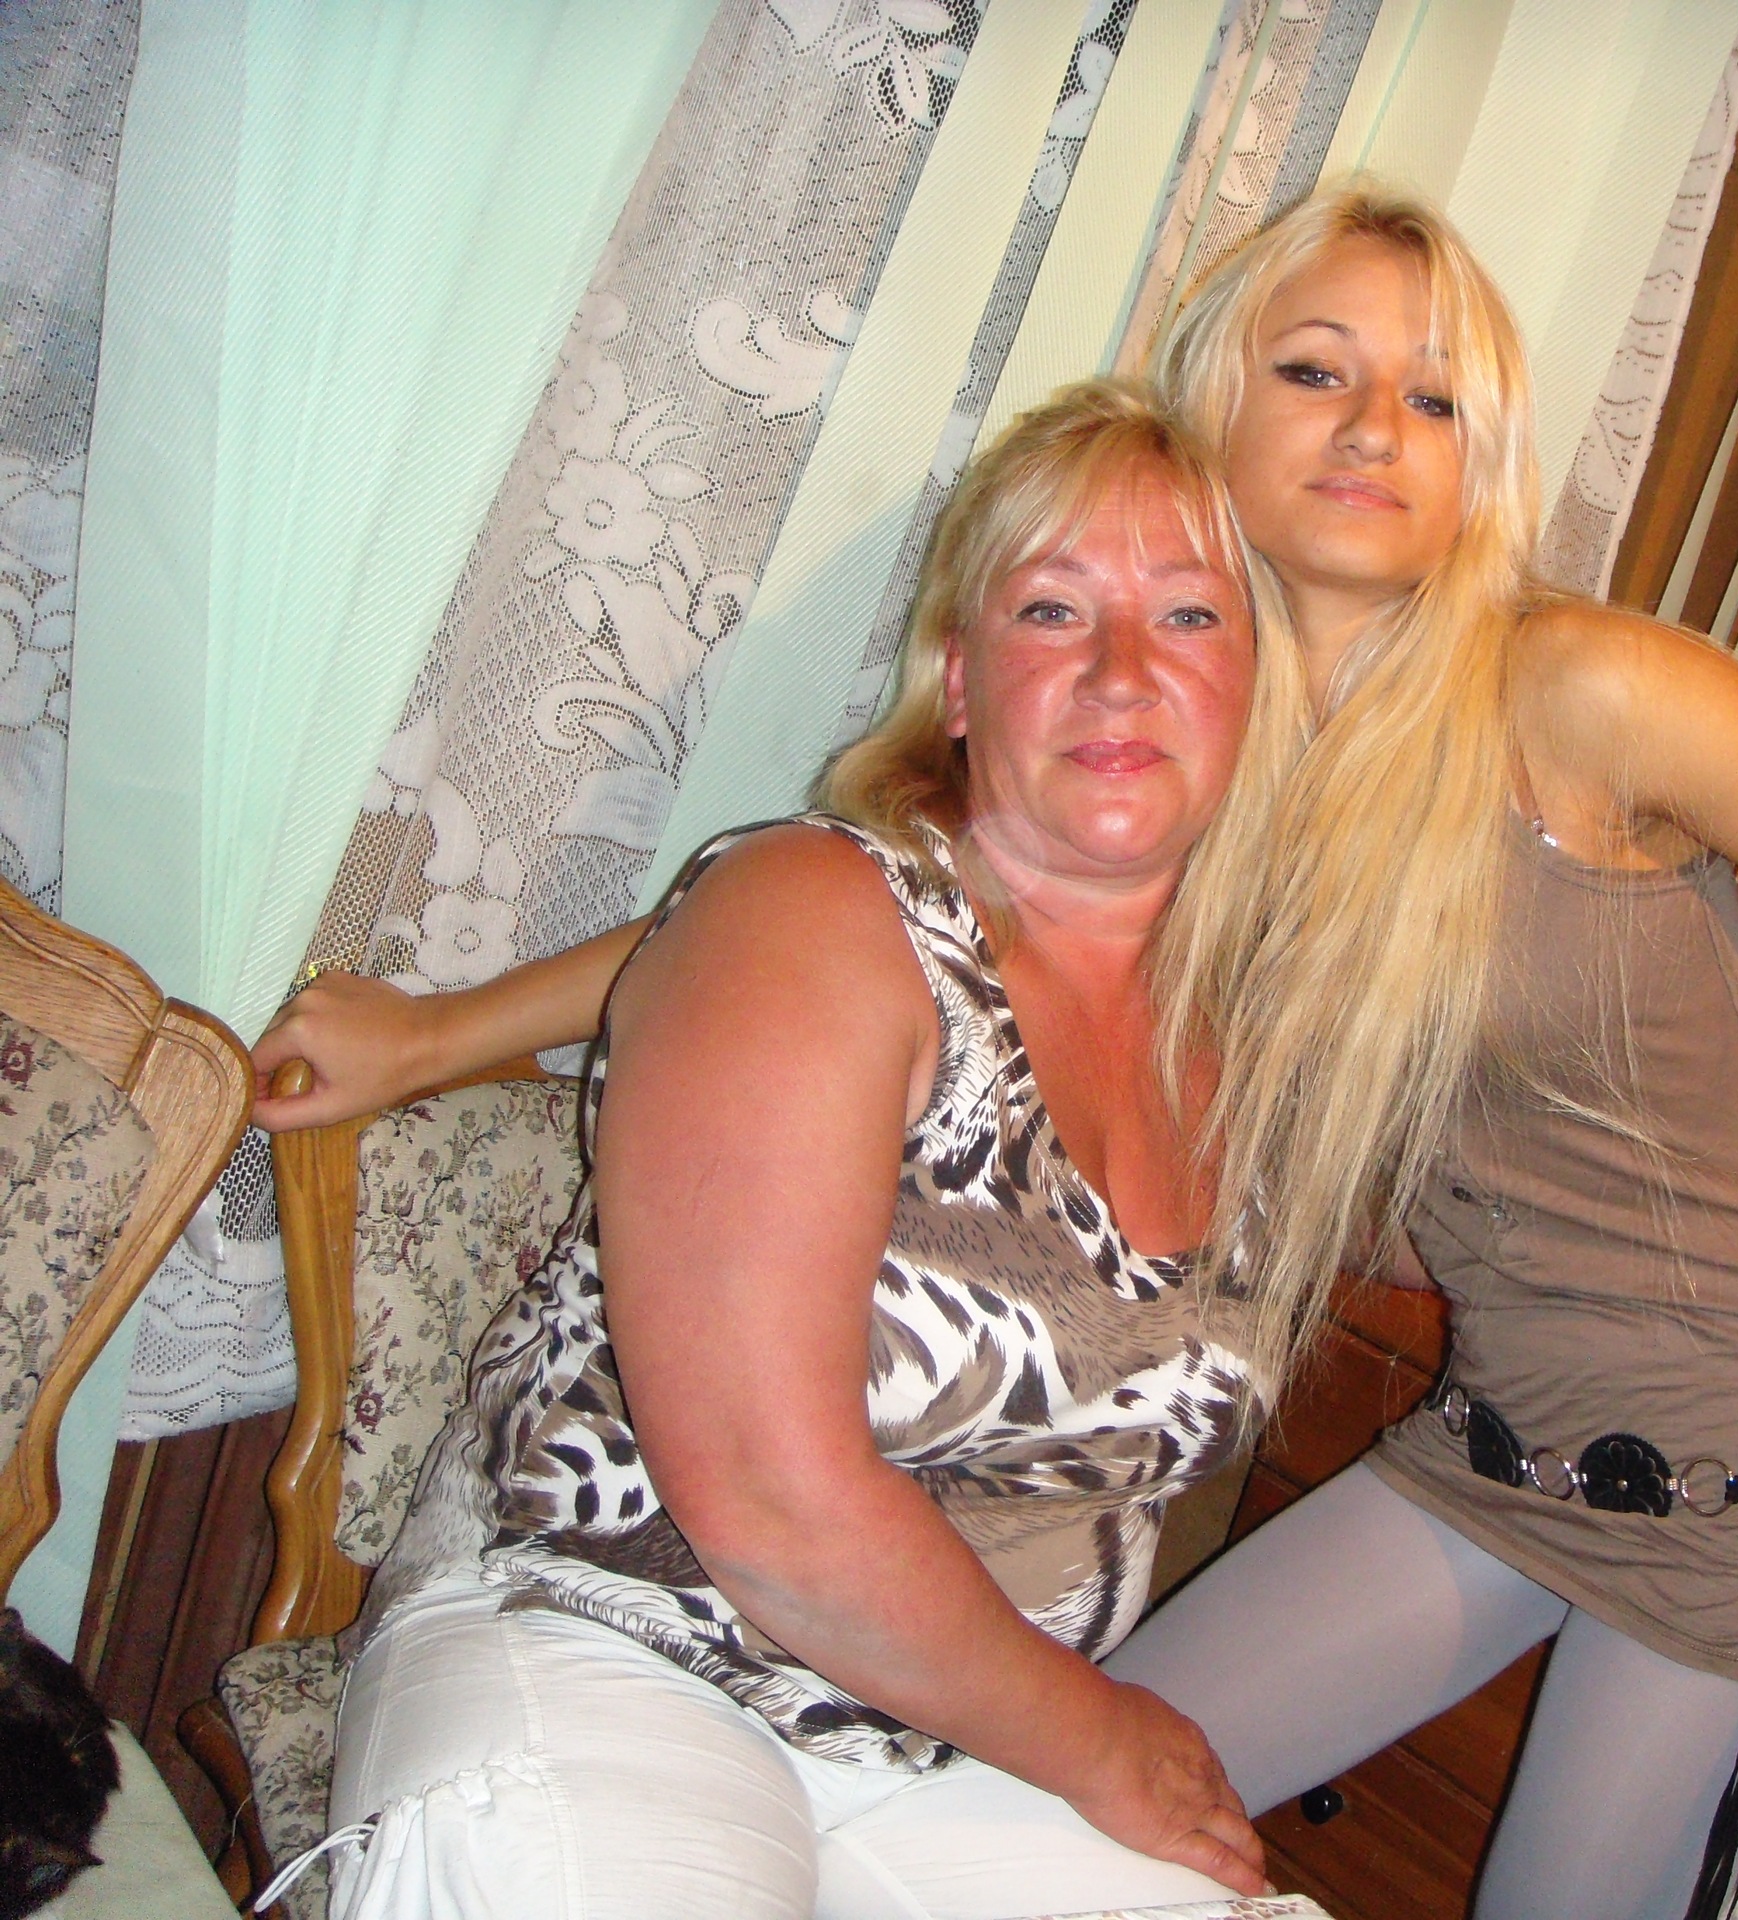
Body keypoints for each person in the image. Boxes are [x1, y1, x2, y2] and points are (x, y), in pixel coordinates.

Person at [261, 185, 1738, 1920]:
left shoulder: (1580, 691)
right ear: (1222, 407)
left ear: (1486, 464)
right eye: (1317, 369)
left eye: (1434, 397)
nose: (1372, 427)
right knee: (1094, 1780)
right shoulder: (1217, 754)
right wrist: (433, 1035)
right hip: (1502, 1439)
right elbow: (841, 924)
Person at [303, 382, 1292, 1920]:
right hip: (619, 1642)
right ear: (958, 685)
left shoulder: (1249, 1038)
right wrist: (1099, 1738)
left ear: (1252, 690)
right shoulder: (812, 914)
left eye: (1187, 616)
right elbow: (763, 1493)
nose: (1120, 672)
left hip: (954, 1743)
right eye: (1051, 610)